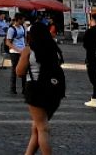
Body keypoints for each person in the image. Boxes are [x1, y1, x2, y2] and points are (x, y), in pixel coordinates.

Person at [17, 20, 66, 155]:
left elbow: (19, 72)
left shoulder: (29, 50)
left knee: (42, 128)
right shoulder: (54, 49)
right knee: (37, 127)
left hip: (35, 90)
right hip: (55, 90)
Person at [6, 15, 27, 94]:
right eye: (22, 19)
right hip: (14, 52)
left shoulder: (22, 27)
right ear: (18, 20)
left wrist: (25, 47)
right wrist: (18, 50)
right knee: (14, 70)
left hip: (23, 51)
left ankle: (24, 89)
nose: (23, 21)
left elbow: (24, 39)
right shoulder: (11, 29)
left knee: (24, 69)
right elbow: (7, 42)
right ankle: (13, 89)